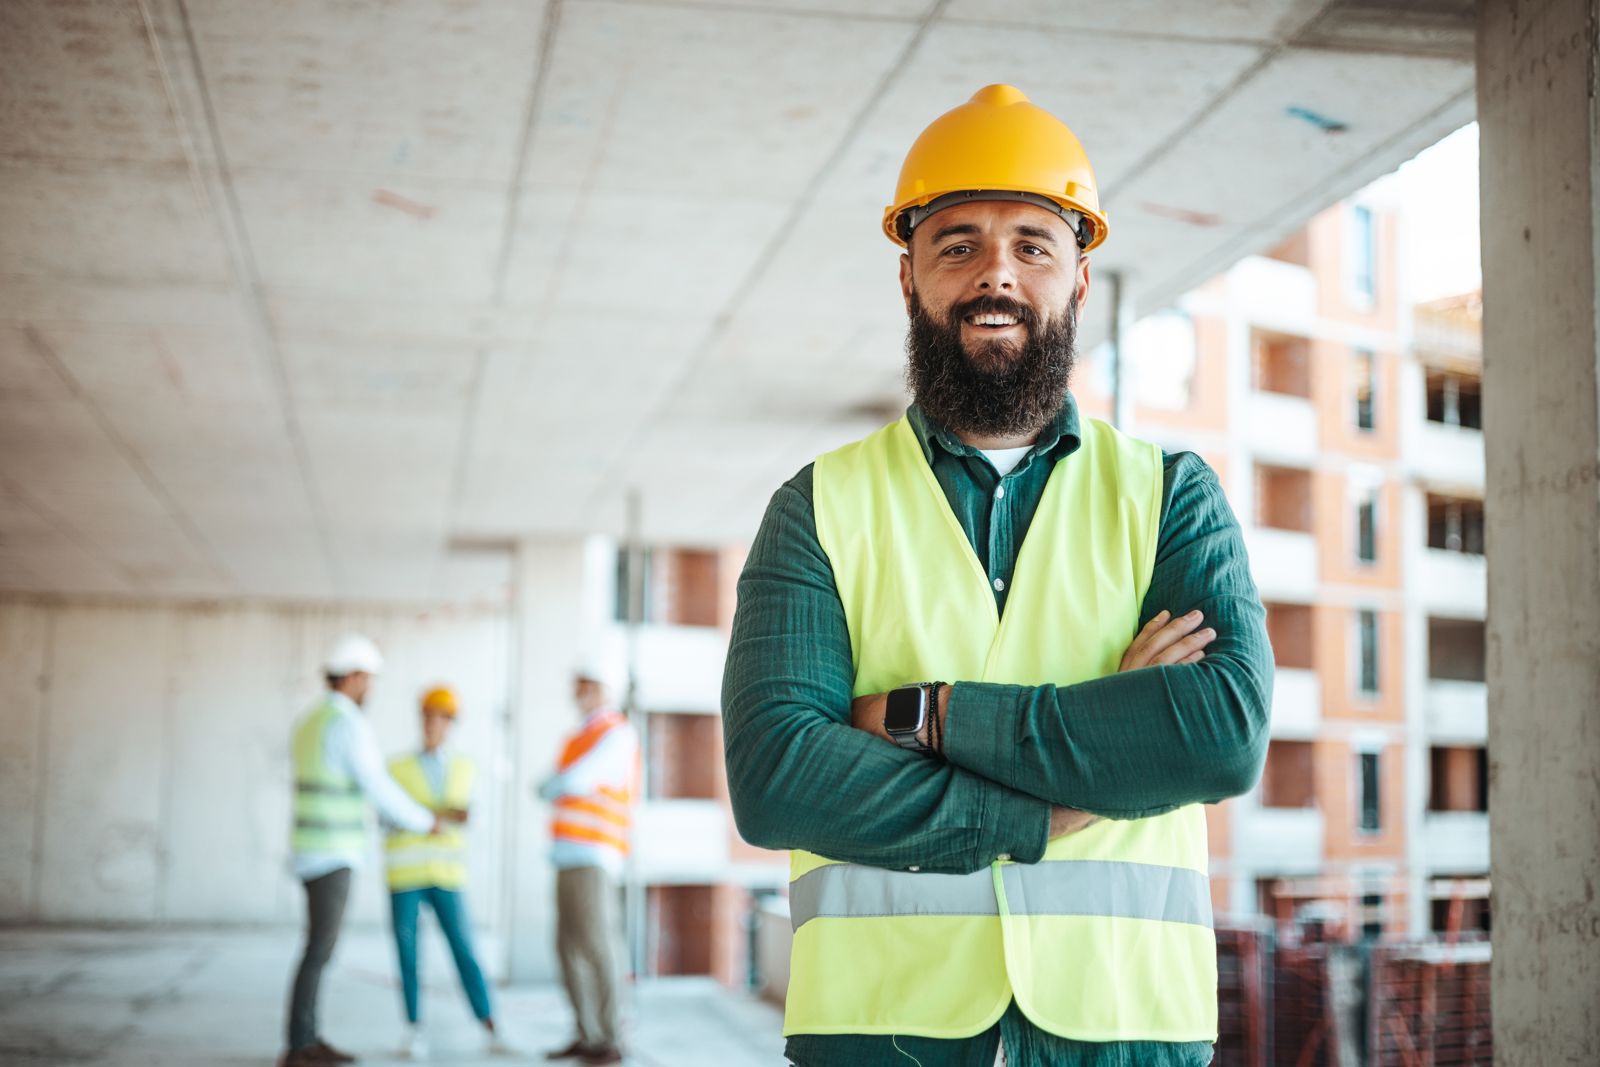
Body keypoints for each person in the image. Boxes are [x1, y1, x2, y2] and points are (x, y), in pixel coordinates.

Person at [721, 84, 1273, 1067]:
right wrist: (1060, 787)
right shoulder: (817, 507)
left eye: (1031, 244)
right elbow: (776, 778)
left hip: (1124, 1027)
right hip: (881, 1029)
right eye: (958, 243)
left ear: (1079, 280)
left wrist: (919, 713)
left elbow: (1217, 735)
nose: (996, 274)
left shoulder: (1168, 495)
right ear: (909, 279)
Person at [281, 634, 455, 1067]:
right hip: (332, 852)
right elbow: (376, 784)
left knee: (316, 948)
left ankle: (307, 1038)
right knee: (318, 950)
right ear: (355, 677)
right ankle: (300, 1045)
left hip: (310, 849)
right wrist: (425, 821)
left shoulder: (310, 719)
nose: (371, 689)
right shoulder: (347, 722)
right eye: (369, 680)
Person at [384, 685, 508, 1059]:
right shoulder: (397, 767)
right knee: (407, 954)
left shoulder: (465, 767)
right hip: (405, 876)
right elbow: (388, 814)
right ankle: (413, 1029)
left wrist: (424, 813)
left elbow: (473, 815)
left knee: (465, 950)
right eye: (428, 716)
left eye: (441, 717)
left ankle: (489, 1025)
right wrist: (441, 813)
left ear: (451, 723)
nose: (433, 724)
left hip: (448, 875)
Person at [537, 664, 639, 1066]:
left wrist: (553, 783)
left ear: (602, 689)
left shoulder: (615, 731)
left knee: (598, 945)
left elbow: (572, 781)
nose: (577, 692)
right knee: (568, 947)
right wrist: (554, 783)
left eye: (585, 685)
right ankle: (587, 1033)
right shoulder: (578, 736)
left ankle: (609, 1037)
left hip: (595, 855)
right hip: (569, 855)